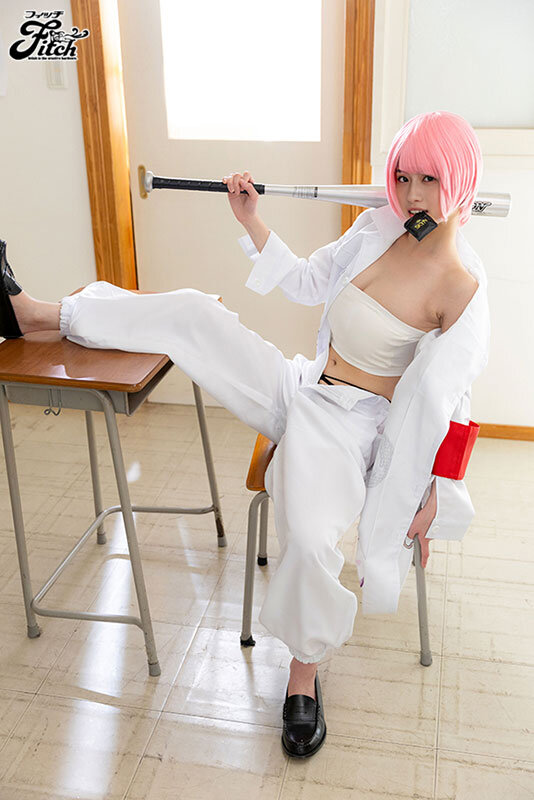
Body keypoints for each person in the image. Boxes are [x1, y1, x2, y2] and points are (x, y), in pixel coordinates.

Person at [0, 110, 490, 758]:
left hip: (352, 427)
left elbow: (450, 401)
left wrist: (433, 490)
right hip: (304, 383)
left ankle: (303, 675)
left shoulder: (461, 289)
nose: (414, 194)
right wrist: (250, 219)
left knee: (310, 539)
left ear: (459, 179)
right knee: (194, 313)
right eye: (404, 176)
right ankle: (37, 315)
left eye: (430, 178)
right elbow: (308, 280)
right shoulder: (377, 228)